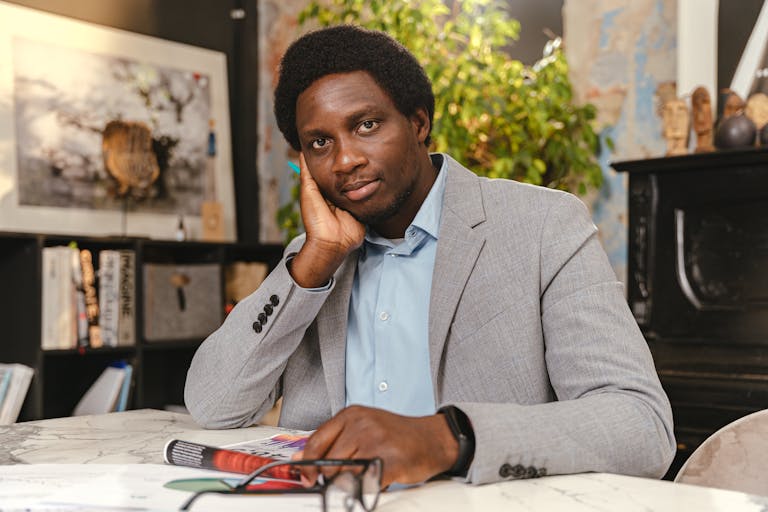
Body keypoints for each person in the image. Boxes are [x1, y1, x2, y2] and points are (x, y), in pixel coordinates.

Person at [185, 25, 675, 488]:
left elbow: (640, 425)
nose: (345, 159)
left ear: (418, 122)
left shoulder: (543, 226)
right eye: (320, 142)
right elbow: (212, 406)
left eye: (367, 125)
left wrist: (448, 439)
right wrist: (313, 266)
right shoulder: (311, 261)